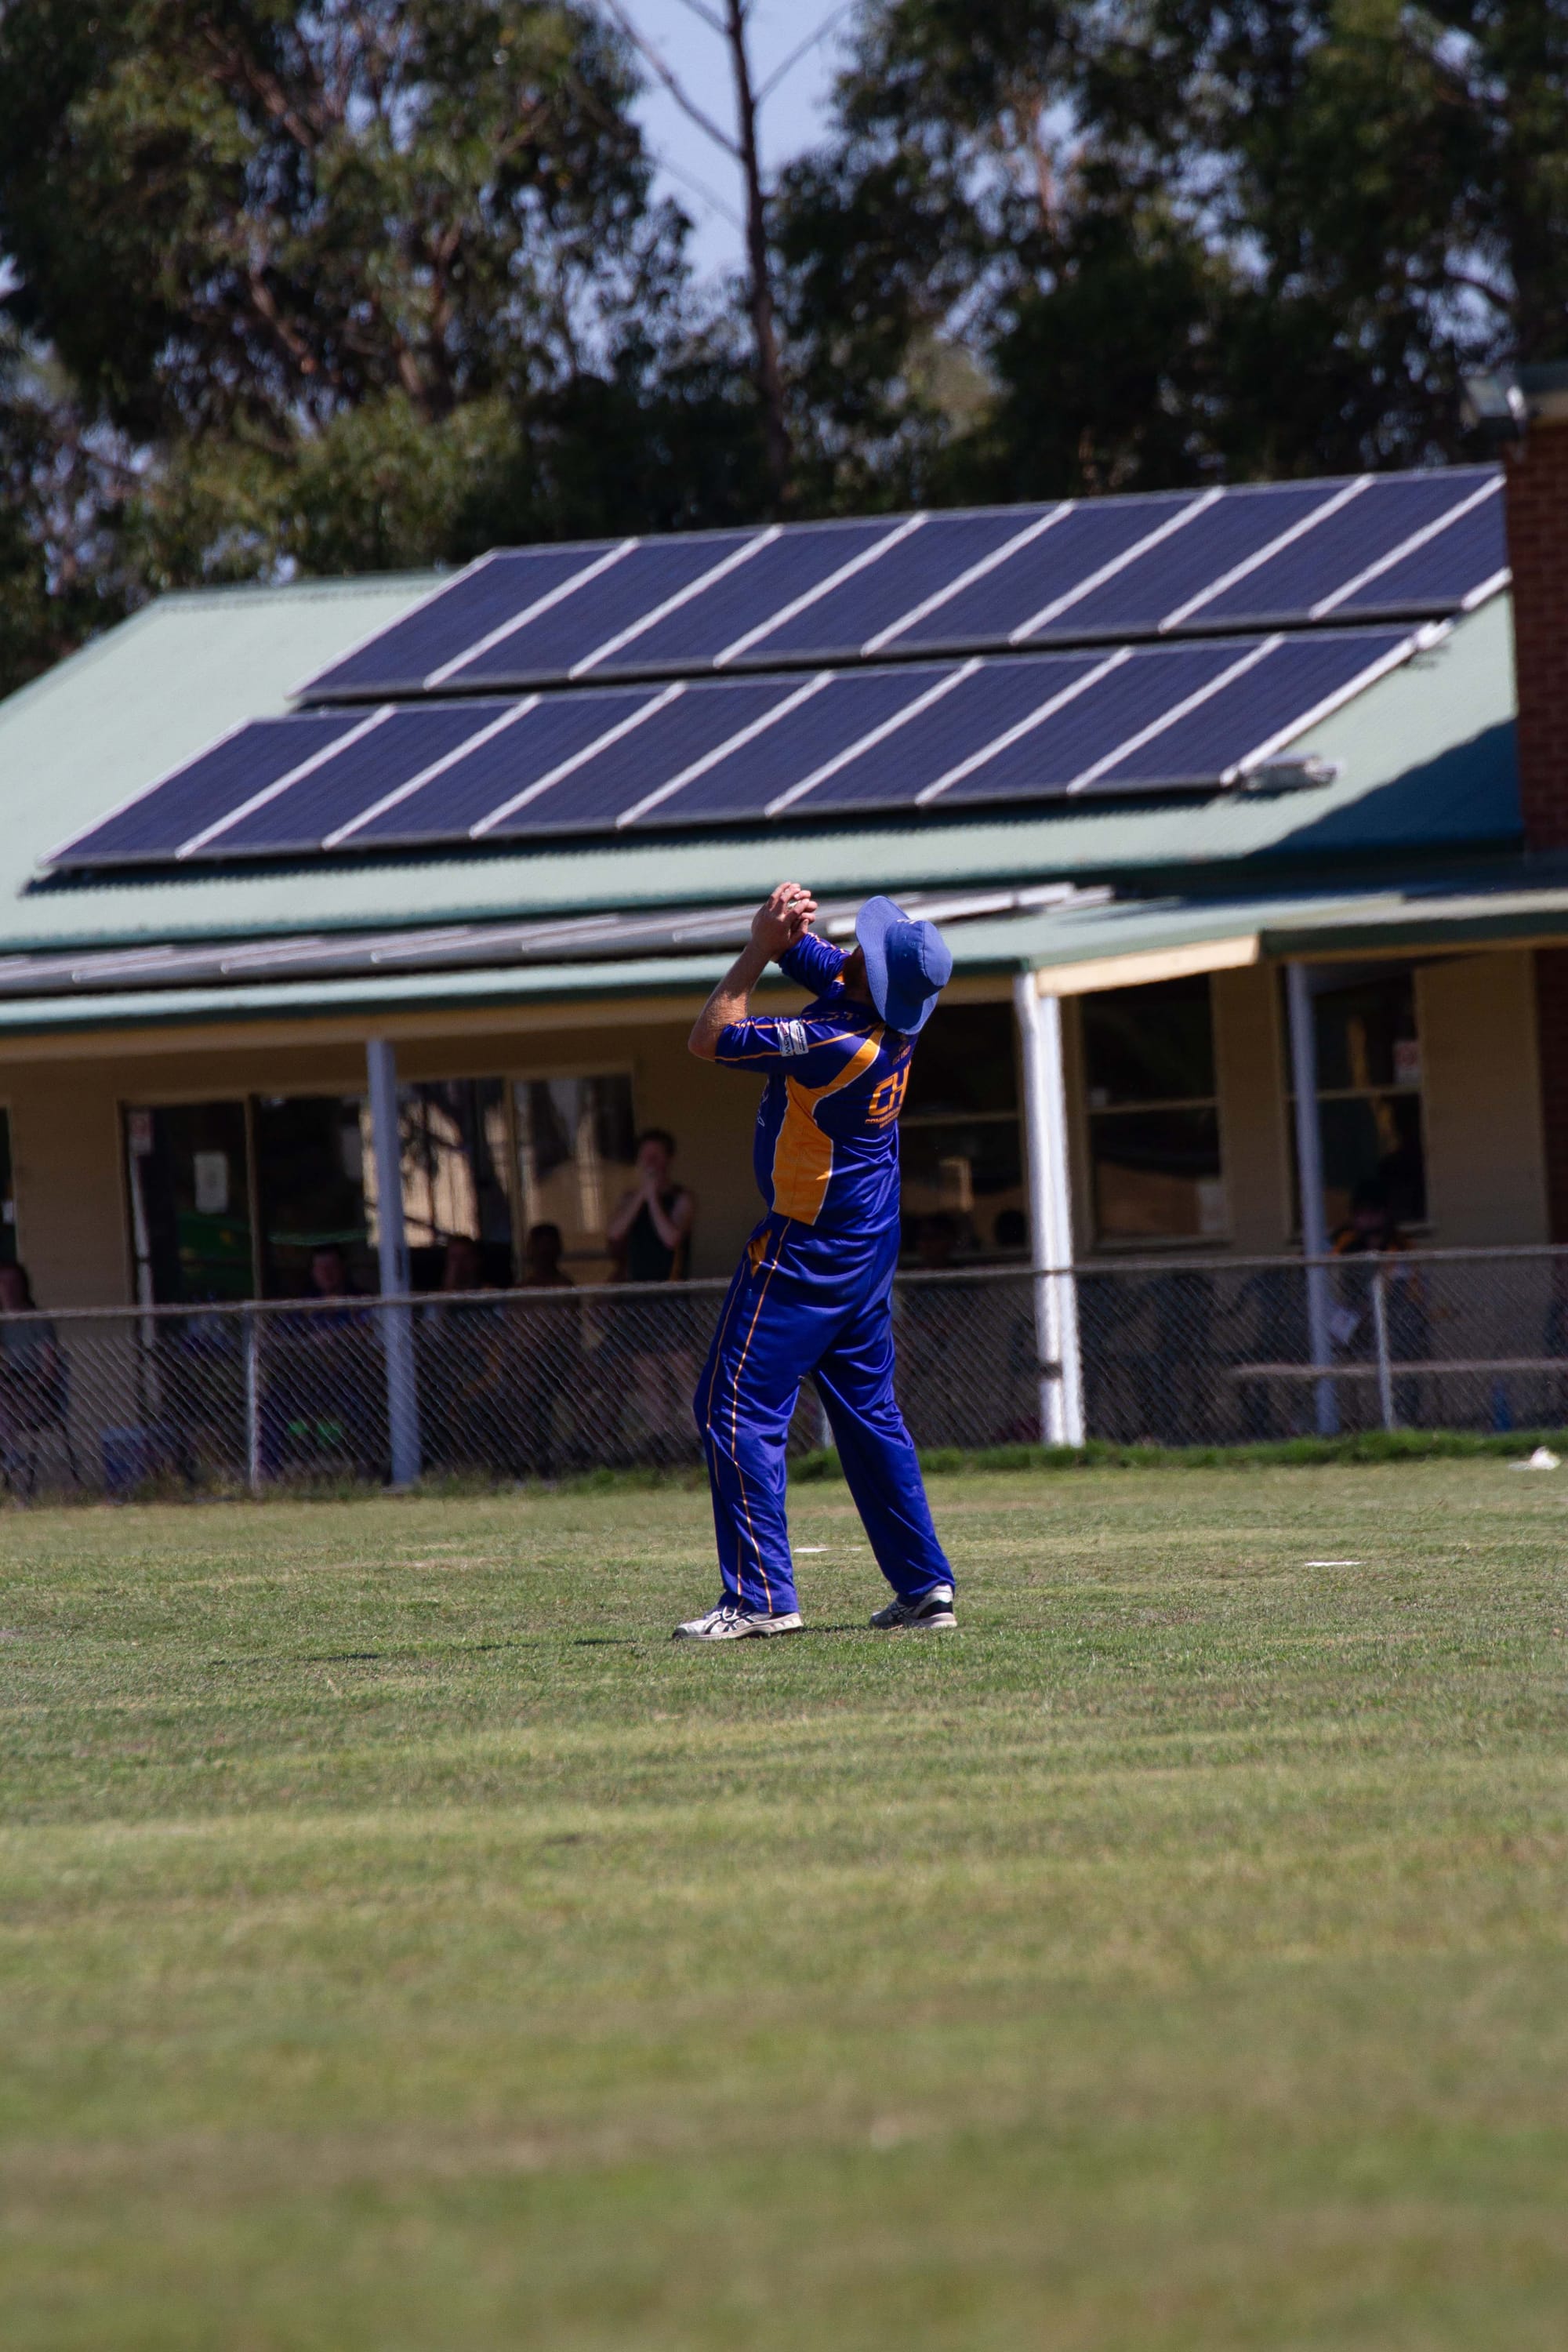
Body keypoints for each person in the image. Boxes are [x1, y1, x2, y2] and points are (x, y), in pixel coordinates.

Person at [673, 881, 957, 1641]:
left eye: (864, 948)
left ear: (874, 977)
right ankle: (924, 1587)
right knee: (869, 1415)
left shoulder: (833, 1042)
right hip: (866, 1240)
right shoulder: (894, 1016)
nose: (853, 949)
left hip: (806, 1248)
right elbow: (814, 960)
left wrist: (753, 951)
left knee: (731, 1407)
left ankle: (761, 1599)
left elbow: (709, 1037)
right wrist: (782, 929)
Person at [606, 1130, 694, 1283]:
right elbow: (614, 1233)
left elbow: (671, 1239)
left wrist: (653, 1198)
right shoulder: (629, 1199)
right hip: (636, 1289)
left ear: (669, 1159)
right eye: (645, 1156)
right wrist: (641, 1195)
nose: (650, 1162)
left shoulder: (682, 1198)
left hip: (670, 1288)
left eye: (656, 1156)